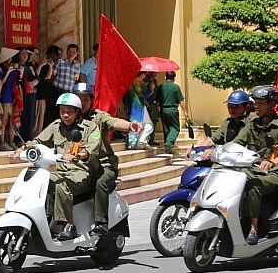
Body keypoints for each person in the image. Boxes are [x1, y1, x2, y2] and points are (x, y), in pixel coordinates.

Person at [20, 93, 101, 241]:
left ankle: (69, 225)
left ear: (77, 112)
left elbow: (92, 150)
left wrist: (78, 156)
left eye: (69, 112)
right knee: (42, 182)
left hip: (82, 172)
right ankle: (44, 219)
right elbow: (39, 140)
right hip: (61, 170)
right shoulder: (56, 126)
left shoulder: (90, 128)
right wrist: (24, 148)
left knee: (62, 186)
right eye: (62, 111)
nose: (65, 115)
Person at [72, 83, 142, 235]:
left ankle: (101, 223)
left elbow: (114, 122)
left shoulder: (98, 117)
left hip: (104, 165)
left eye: (86, 99)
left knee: (101, 183)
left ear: (91, 101)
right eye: (79, 99)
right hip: (80, 166)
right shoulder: (68, 118)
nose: (83, 102)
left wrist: (130, 125)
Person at [233, 85, 278, 245]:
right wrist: (215, 151)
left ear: (272, 105)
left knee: (254, 185)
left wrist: (273, 161)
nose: (256, 106)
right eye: (255, 103)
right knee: (235, 178)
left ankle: (253, 229)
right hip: (252, 169)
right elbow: (237, 142)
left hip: (274, 174)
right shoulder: (252, 123)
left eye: (260, 103)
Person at [154, 70, 189, 154]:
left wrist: (157, 110)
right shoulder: (175, 87)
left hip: (163, 109)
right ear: (174, 78)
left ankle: (168, 149)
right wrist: (185, 111)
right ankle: (169, 143)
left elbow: (158, 101)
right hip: (172, 110)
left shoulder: (160, 87)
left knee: (166, 129)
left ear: (165, 77)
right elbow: (181, 100)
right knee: (175, 128)